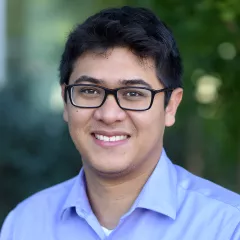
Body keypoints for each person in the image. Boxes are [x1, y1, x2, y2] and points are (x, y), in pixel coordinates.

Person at [1, 6, 240, 240]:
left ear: (170, 106)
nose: (109, 114)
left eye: (134, 94)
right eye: (89, 91)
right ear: (66, 101)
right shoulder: (24, 223)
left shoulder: (227, 226)